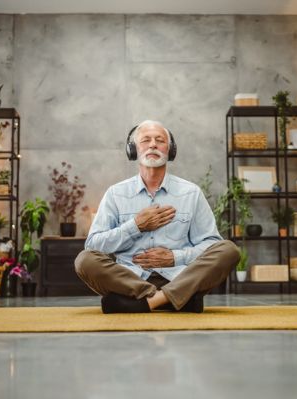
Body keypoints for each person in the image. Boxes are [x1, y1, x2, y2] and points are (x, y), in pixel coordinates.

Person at [74, 120, 240, 313]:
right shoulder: (115, 193)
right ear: (133, 149)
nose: (153, 144)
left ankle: (148, 302)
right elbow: (93, 245)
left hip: (179, 277)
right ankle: (173, 298)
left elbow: (210, 244)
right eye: (145, 140)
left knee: (229, 250)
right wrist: (135, 226)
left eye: (159, 140)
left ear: (170, 150)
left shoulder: (191, 193)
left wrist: (175, 257)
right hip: (129, 280)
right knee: (84, 260)